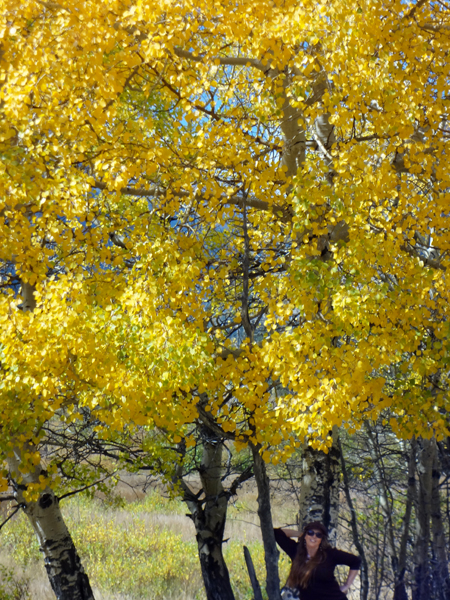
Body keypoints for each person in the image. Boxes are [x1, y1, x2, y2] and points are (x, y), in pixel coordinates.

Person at [274, 521, 361, 600]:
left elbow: (355, 561)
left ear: (321, 539)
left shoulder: (329, 554)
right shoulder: (295, 551)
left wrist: (346, 585)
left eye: (318, 535)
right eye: (310, 533)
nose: (314, 536)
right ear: (305, 535)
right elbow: (276, 533)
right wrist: (301, 534)